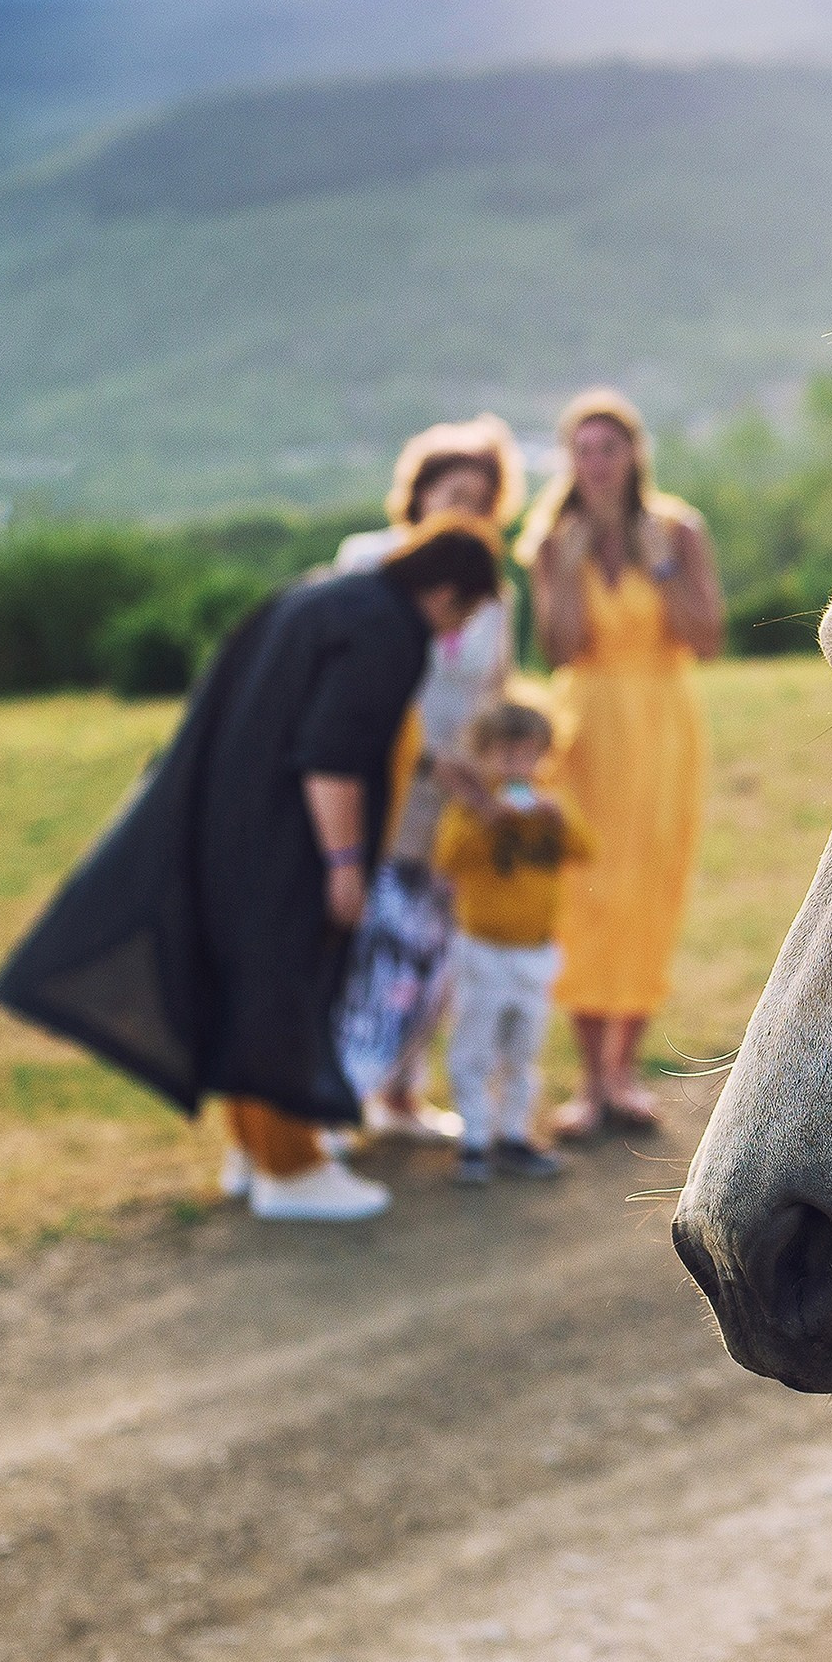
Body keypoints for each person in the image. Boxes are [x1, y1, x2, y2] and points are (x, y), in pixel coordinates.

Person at [0, 516, 506, 1221]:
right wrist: (345, 864)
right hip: (287, 839)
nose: (458, 624)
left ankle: (253, 1152)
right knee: (284, 992)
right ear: (448, 589)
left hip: (225, 821)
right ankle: (290, 1171)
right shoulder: (390, 629)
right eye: (466, 608)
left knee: (246, 989)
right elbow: (332, 755)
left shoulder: (316, 596)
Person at [517, 389, 724, 1139]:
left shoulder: (678, 529)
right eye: (581, 449)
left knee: (648, 888)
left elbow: (705, 639)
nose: (595, 464)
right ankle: (588, 1080)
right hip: (584, 732)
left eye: (607, 448)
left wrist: (664, 569)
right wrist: (567, 573)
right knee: (582, 891)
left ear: (633, 453)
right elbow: (561, 648)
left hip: (662, 727)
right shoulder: (551, 539)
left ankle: (623, 1075)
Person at [334, 415, 526, 1141]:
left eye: (480, 499)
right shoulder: (367, 561)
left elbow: (496, 692)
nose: (463, 509)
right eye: (451, 491)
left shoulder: (494, 596)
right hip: (375, 781)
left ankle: (402, 1095)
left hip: (457, 793)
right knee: (368, 940)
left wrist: (503, 774)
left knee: (432, 945)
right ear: (416, 495)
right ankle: (338, 1095)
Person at [433, 699, 590, 1184]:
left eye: (528, 756)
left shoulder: (550, 803)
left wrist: (558, 819)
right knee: (474, 1049)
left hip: (536, 952)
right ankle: (475, 1140)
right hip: (484, 950)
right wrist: (488, 819)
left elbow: (586, 850)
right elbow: (448, 859)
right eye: (504, 756)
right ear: (481, 756)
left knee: (524, 1050)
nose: (516, 767)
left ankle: (515, 1136)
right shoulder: (469, 808)